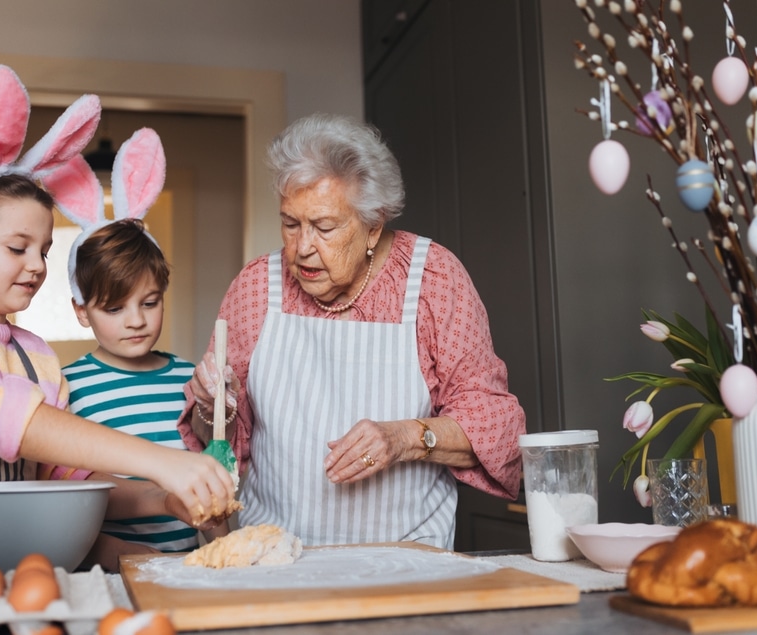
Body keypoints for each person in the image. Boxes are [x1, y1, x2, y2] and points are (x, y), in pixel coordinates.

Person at [0, 66, 235, 578]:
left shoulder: (37, 356)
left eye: (45, 249)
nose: (39, 265)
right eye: (17, 247)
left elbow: (70, 485)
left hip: (19, 579)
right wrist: (165, 461)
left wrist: (163, 498)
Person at [178, 113, 527, 550]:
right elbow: (220, 444)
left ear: (373, 226)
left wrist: (405, 439)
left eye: (324, 227)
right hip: (274, 556)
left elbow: (496, 427)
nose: (303, 246)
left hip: (407, 556)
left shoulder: (433, 279)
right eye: (290, 223)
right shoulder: (255, 287)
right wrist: (212, 408)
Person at [60, 128, 217, 568]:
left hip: (191, 565)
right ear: (81, 311)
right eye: (114, 308)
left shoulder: (188, 376)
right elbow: (75, 491)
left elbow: (209, 464)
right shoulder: (69, 387)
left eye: (150, 302)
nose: (136, 320)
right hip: (114, 565)